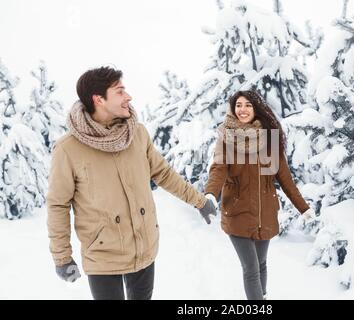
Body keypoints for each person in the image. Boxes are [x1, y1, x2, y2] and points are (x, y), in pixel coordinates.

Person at [46, 66, 217, 300]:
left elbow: (164, 174)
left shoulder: (137, 134)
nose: (128, 97)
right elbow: (58, 204)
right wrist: (62, 257)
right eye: (120, 91)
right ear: (99, 99)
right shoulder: (68, 149)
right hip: (103, 254)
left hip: (143, 246)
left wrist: (199, 201)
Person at [204, 90, 315, 300]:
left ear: (256, 109)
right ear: (232, 108)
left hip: (265, 215)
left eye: (247, 105)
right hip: (238, 213)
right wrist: (210, 195)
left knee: (261, 264)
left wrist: (304, 207)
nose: (242, 109)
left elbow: (285, 179)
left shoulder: (269, 140)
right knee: (251, 269)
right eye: (238, 105)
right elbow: (218, 170)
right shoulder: (227, 139)